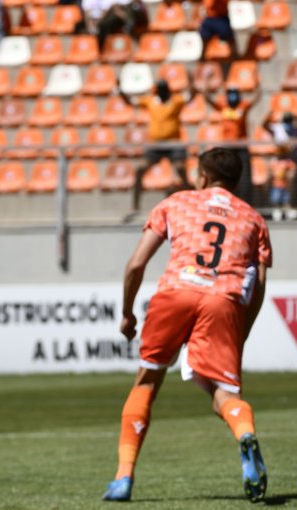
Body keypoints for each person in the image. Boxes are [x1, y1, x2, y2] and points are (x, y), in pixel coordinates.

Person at [102, 148, 272, 503]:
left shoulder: (176, 203)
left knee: (147, 382)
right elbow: (257, 286)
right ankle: (244, 433)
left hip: (176, 291)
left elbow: (136, 264)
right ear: (237, 181)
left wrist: (127, 311)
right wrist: (242, 330)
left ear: (203, 177)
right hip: (222, 301)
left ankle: (123, 477)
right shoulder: (254, 219)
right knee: (224, 394)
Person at [119, 79, 196, 214]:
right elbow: (131, 102)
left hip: (173, 143)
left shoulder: (176, 101)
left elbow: (190, 96)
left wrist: (192, 82)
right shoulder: (151, 101)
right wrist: (120, 89)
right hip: (155, 145)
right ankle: (135, 206)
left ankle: (193, 201)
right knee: (140, 169)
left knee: (181, 169)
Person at [205, 86, 259, 203]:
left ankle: (246, 202)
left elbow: (256, 98)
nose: (232, 96)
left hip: (241, 147)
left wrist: (257, 87)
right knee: (226, 175)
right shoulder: (223, 107)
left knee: (245, 178)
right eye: (230, 93)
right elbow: (208, 100)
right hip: (228, 148)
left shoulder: (243, 106)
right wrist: (207, 87)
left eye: (234, 93)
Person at [263, 112, 297, 221]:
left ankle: (287, 208)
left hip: (291, 160)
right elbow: (265, 126)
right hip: (277, 184)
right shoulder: (277, 128)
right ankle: (277, 209)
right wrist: (268, 116)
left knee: (288, 192)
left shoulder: (294, 130)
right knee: (276, 194)